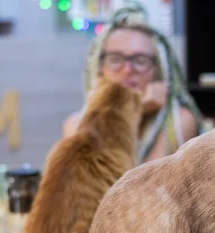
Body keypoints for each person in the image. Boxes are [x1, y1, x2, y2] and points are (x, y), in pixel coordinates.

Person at [63, 2, 203, 165]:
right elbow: (100, 185)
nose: (128, 69)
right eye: (115, 59)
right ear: (100, 69)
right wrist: (133, 111)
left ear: (157, 70)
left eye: (140, 60)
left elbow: (144, 187)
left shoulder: (179, 122)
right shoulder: (75, 125)